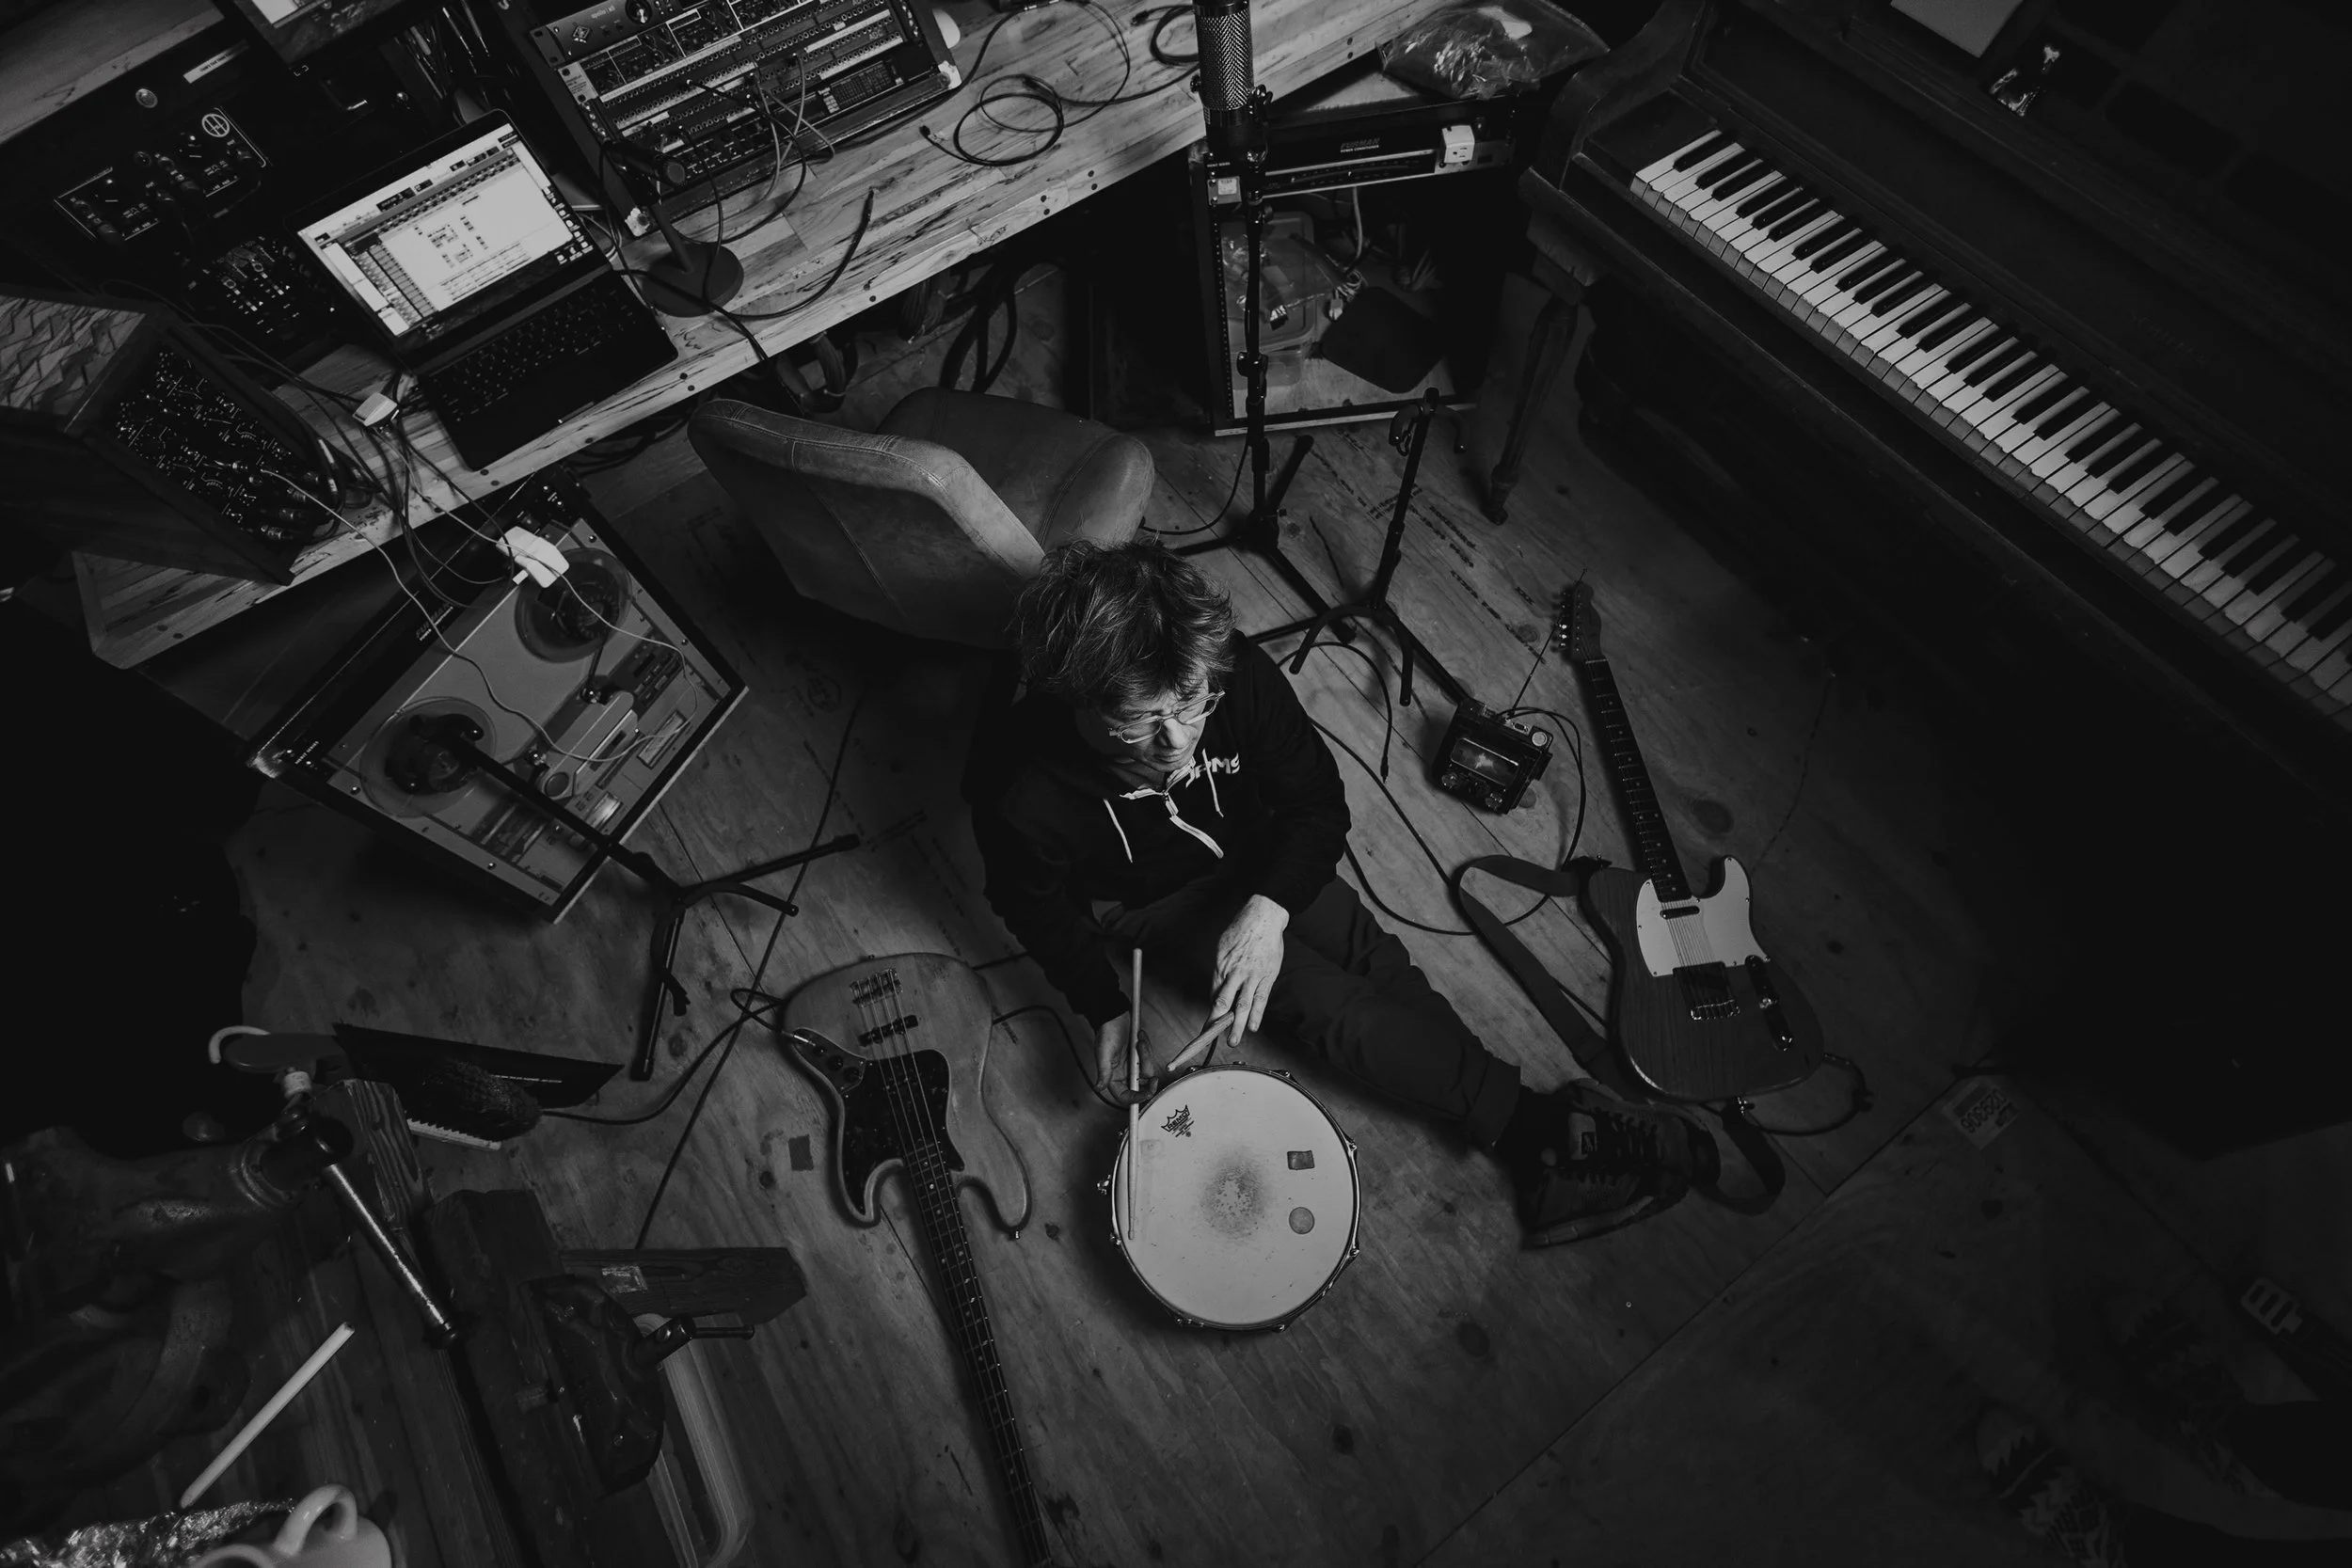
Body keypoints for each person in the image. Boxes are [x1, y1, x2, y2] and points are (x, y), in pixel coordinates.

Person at [963, 540, 1715, 1245]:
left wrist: (1270, 905)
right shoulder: (1017, 787)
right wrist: (1105, 1003)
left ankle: (1525, 1130)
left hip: (1260, 854)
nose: (1179, 738)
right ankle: (1539, 1130)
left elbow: (1317, 804)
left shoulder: (1231, 672)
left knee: (1370, 954)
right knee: (1322, 1003)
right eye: (1143, 720)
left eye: (1189, 701)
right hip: (1153, 901)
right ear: (1077, 700)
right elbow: (1029, 902)